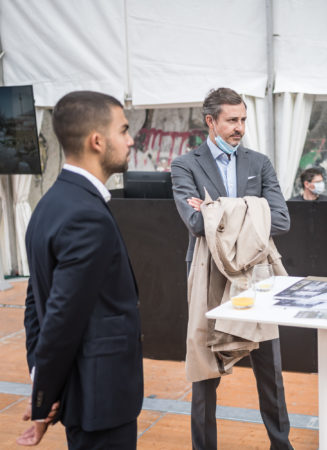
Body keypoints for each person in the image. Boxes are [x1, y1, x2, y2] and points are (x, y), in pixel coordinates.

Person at [170, 87, 293, 450]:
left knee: (270, 372)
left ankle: (281, 446)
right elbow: (195, 223)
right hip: (207, 273)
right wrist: (250, 209)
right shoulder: (184, 165)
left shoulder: (260, 162)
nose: (240, 127)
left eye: (243, 120)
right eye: (232, 120)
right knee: (204, 372)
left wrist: (216, 209)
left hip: (257, 275)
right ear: (210, 121)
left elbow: (281, 220)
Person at [20, 91, 143, 449]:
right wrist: (43, 398)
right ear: (97, 141)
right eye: (123, 130)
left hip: (83, 394)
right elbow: (60, 317)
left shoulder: (49, 204)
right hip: (101, 401)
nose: (130, 140)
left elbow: (36, 303)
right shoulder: (86, 215)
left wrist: (43, 383)